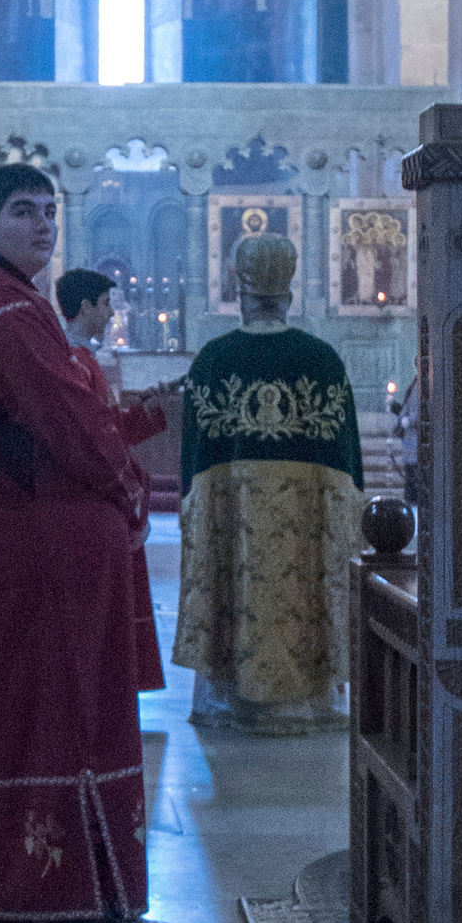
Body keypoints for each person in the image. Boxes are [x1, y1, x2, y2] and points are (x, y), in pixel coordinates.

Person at [0, 164, 176, 923]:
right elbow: (71, 424)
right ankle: (82, 906)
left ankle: (11, 895)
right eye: (23, 212)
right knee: (71, 718)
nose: (44, 226)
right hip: (34, 553)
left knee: (13, 720)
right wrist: (131, 488)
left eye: (50, 212)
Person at [171, 231, 364, 732]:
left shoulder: (214, 360)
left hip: (235, 518)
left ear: (240, 293)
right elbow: (348, 461)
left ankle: (234, 699)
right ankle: (310, 700)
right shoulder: (322, 359)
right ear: (289, 295)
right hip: (309, 518)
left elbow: (194, 464)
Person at [58, 265, 168, 694]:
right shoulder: (73, 360)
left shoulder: (83, 358)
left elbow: (106, 428)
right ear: (85, 306)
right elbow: (95, 438)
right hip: (93, 502)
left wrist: (150, 411)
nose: (111, 315)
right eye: (106, 305)